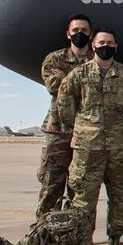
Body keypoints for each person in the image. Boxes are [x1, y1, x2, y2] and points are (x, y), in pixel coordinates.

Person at [57, 28, 123, 245]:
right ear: (93, 45)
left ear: (116, 47)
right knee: (83, 200)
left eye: (110, 43)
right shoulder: (78, 74)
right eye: (102, 42)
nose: (106, 46)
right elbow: (65, 107)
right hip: (87, 149)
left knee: (122, 197)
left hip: (119, 147)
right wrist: (84, 129)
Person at [36, 13, 91, 217]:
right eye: (76, 30)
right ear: (68, 34)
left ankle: (73, 236)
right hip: (58, 130)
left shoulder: (96, 61)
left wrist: (67, 79)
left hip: (86, 131)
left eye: (84, 30)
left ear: (90, 33)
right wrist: (83, 83)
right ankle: (41, 235)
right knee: (52, 184)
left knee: (78, 187)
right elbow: (54, 87)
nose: (80, 34)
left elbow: (97, 91)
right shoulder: (54, 58)